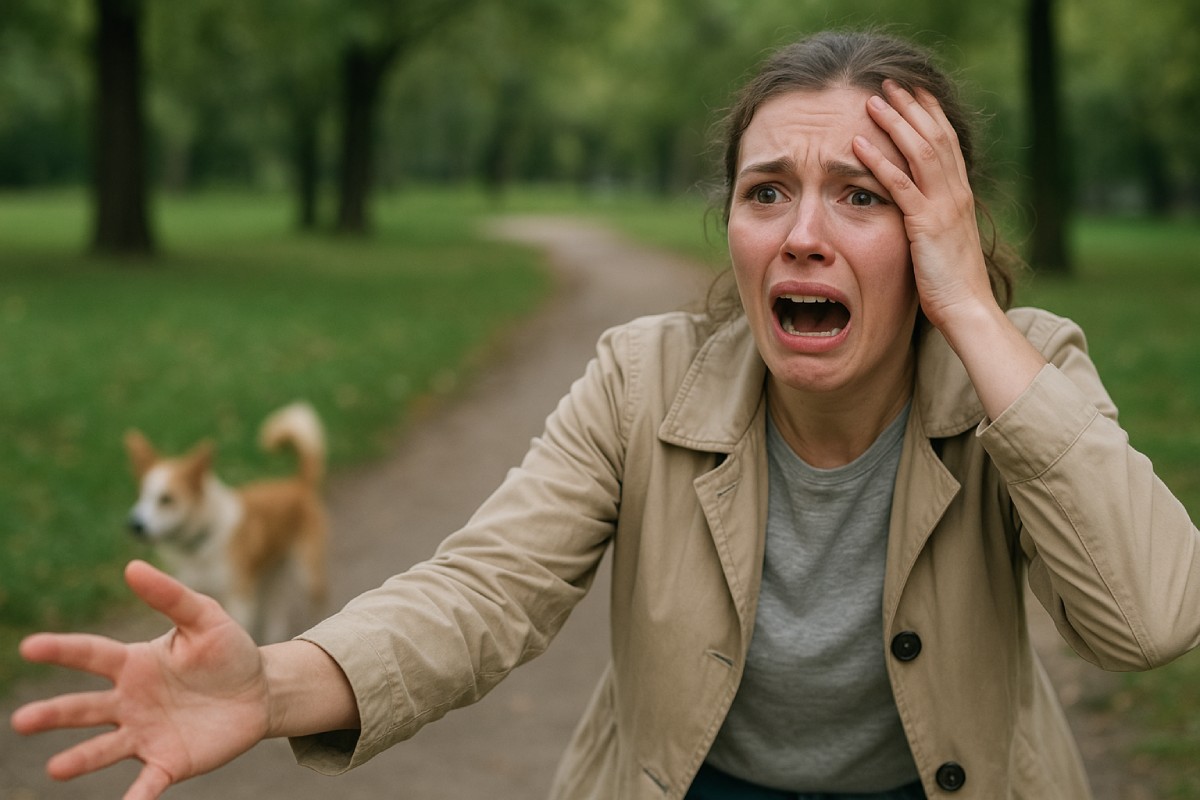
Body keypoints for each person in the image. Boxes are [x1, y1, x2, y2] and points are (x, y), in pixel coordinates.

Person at [11, 29, 1200, 800]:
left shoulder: (1020, 373)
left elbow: (1151, 615)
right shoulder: (644, 382)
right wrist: (269, 683)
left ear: (935, 227)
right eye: (767, 191)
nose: (801, 233)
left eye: (866, 197)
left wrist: (972, 307)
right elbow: (483, 591)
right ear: (730, 227)